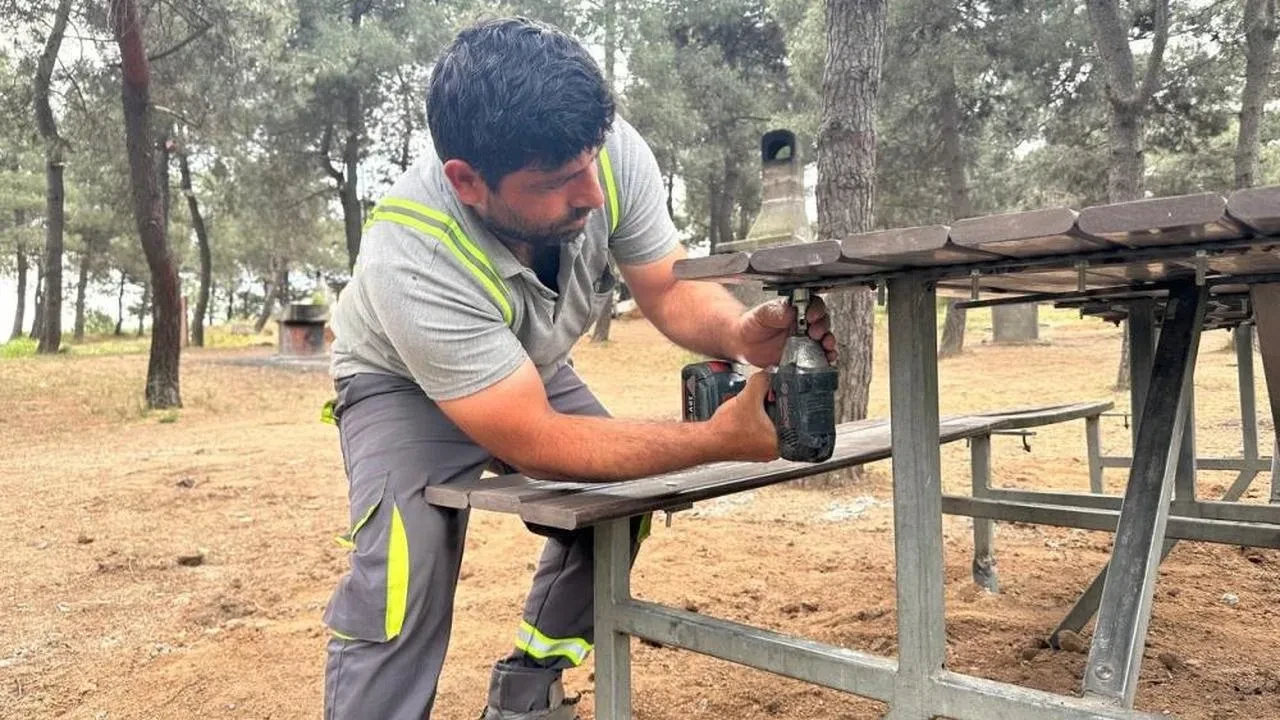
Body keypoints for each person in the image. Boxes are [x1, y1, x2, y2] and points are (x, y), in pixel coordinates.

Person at [322, 16, 838, 720]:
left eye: (592, 162)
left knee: (617, 509)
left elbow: (666, 286)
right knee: (404, 575)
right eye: (561, 181)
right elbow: (530, 437)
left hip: (524, 363)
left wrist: (743, 333)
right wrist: (717, 440)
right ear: (468, 182)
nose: (592, 194)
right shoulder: (411, 250)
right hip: (399, 383)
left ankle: (525, 693)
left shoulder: (601, 151)